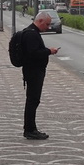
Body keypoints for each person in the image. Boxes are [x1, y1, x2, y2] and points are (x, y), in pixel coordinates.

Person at [21, 11, 59, 140]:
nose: (48, 27)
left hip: (33, 71)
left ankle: (31, 128)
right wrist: (49, 51)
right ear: (40, 21)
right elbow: (33, 53)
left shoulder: (32, 32)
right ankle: (30, 129)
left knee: (33, 100)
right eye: (47, 24)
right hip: (33, 72)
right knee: (32, 100)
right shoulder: (31, 34)